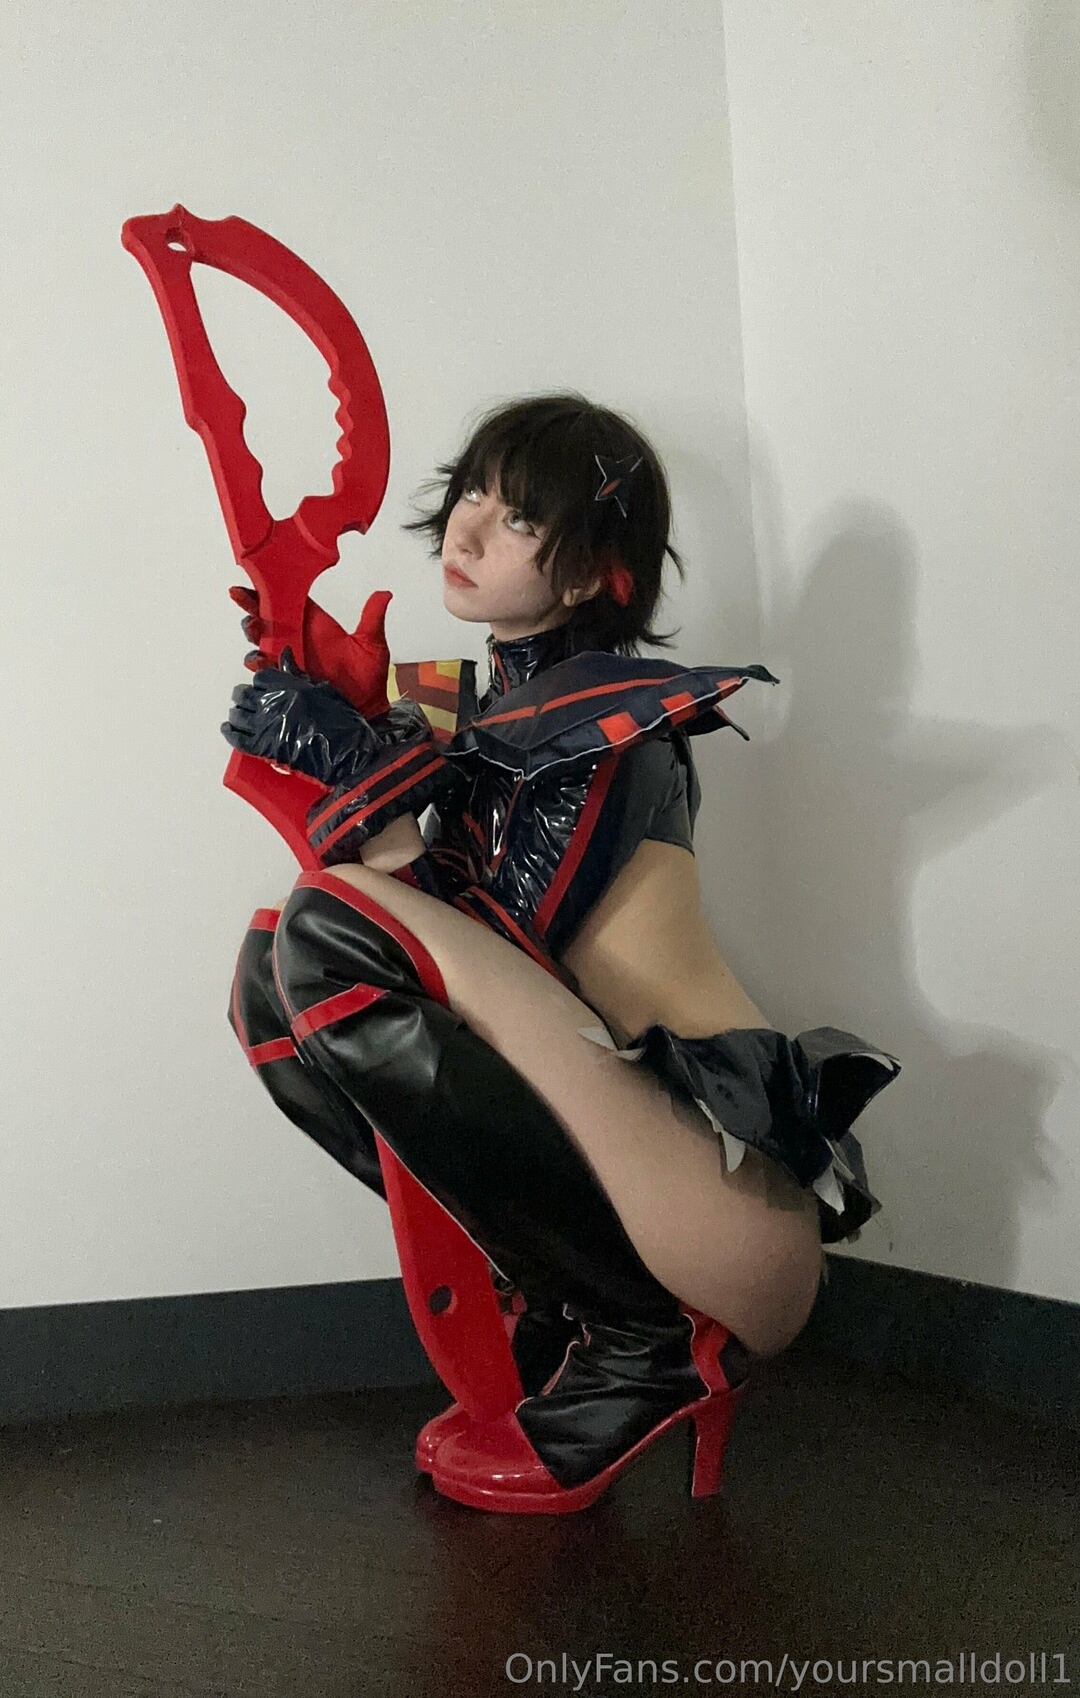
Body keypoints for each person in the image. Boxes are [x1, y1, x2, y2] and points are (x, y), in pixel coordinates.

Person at [223, 391, 899, 1514]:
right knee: (270, 975)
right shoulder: (497, 708)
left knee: (330, 928)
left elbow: (499, 958)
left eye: (520, 518)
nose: (469, 529)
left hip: (715, 1199)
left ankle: (648, 1341)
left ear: (590, 573)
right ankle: (568, 1306)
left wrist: (363, 767)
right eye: (473, 494)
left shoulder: (607, 724)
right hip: (640, 1172)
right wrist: (361, 725)